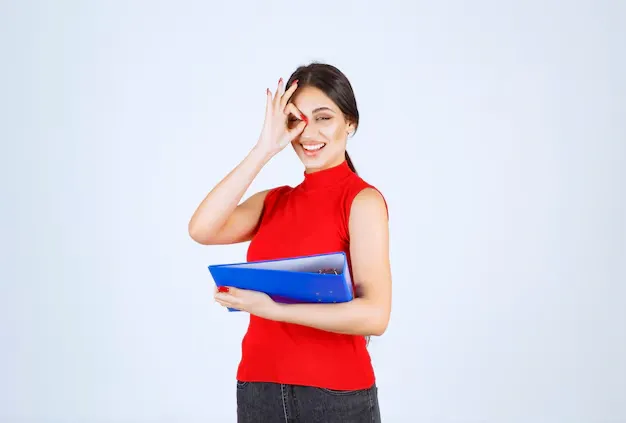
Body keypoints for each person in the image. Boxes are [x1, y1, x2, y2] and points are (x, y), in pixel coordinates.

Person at [188, 62, 392, 422]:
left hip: (335, 396)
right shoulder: (274, 201)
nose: (309, 132)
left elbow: (375, 314)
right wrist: (263, 149)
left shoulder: (362, 202)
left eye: (324, 117)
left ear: (351, 123)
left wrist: (273, 309)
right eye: (298, 120)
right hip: (259, 389)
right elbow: (202, 229)